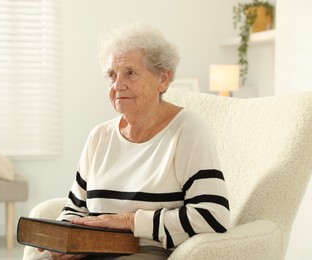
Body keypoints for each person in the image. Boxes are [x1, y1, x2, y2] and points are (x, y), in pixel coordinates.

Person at [43, 22, 230, 260]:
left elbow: (212, 216)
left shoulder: (187, 129)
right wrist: (67, 241)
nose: (117, 86)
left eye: (130, 73)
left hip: (144, 252)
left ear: (163, 79)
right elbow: (75, 207)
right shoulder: (100, 136)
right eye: (112, 75)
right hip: (92, 251)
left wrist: (131, 221)